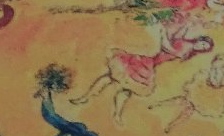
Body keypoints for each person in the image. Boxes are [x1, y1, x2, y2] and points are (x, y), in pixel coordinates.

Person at [73, 19, 214, 123]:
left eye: (204, 48)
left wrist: (162, 33)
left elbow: (168, 48)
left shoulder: (186, 51)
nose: (201, 46)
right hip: (147, 61)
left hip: (148, 64)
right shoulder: (187, 43)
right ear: (200, 40)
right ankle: (108, 109)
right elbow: (174, 38)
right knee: (119, 83)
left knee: (118, 82)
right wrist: (181, 25)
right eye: (203, 43)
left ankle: (97, 103)